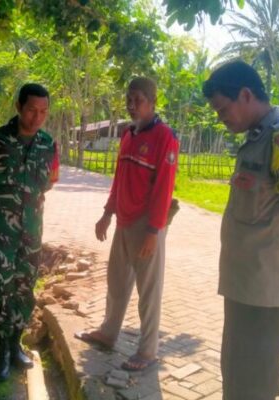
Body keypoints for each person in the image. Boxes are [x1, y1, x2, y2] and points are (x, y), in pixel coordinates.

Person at [202, 60, 279, 399]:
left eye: (223, 109)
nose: (220, 117)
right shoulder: (257, 138)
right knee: (236, 379)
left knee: (254, 387)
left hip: (266, 295)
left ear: (245, 95)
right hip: (244, 288)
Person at [76, 77, 180, 372]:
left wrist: (154, 231)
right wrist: (107, 213)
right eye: (129, 100)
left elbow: (164, 188)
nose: (132, 105)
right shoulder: (128, 134)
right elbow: (119, 179)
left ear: (152, 102)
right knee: (117, 281)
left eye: (138, 100)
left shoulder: (165, 137)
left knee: (149, 290)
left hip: (147, 225)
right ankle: (108, 333)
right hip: (123, 220)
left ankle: (147, 351)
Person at [0, 83, 59, 381]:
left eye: (43, 111)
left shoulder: (48, 144)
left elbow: (50, 181)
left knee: (24, 287)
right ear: (19, 107)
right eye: (32, 110)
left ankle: (16, 345)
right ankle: (0, 354)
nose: (37, 117)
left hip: (32, 231)